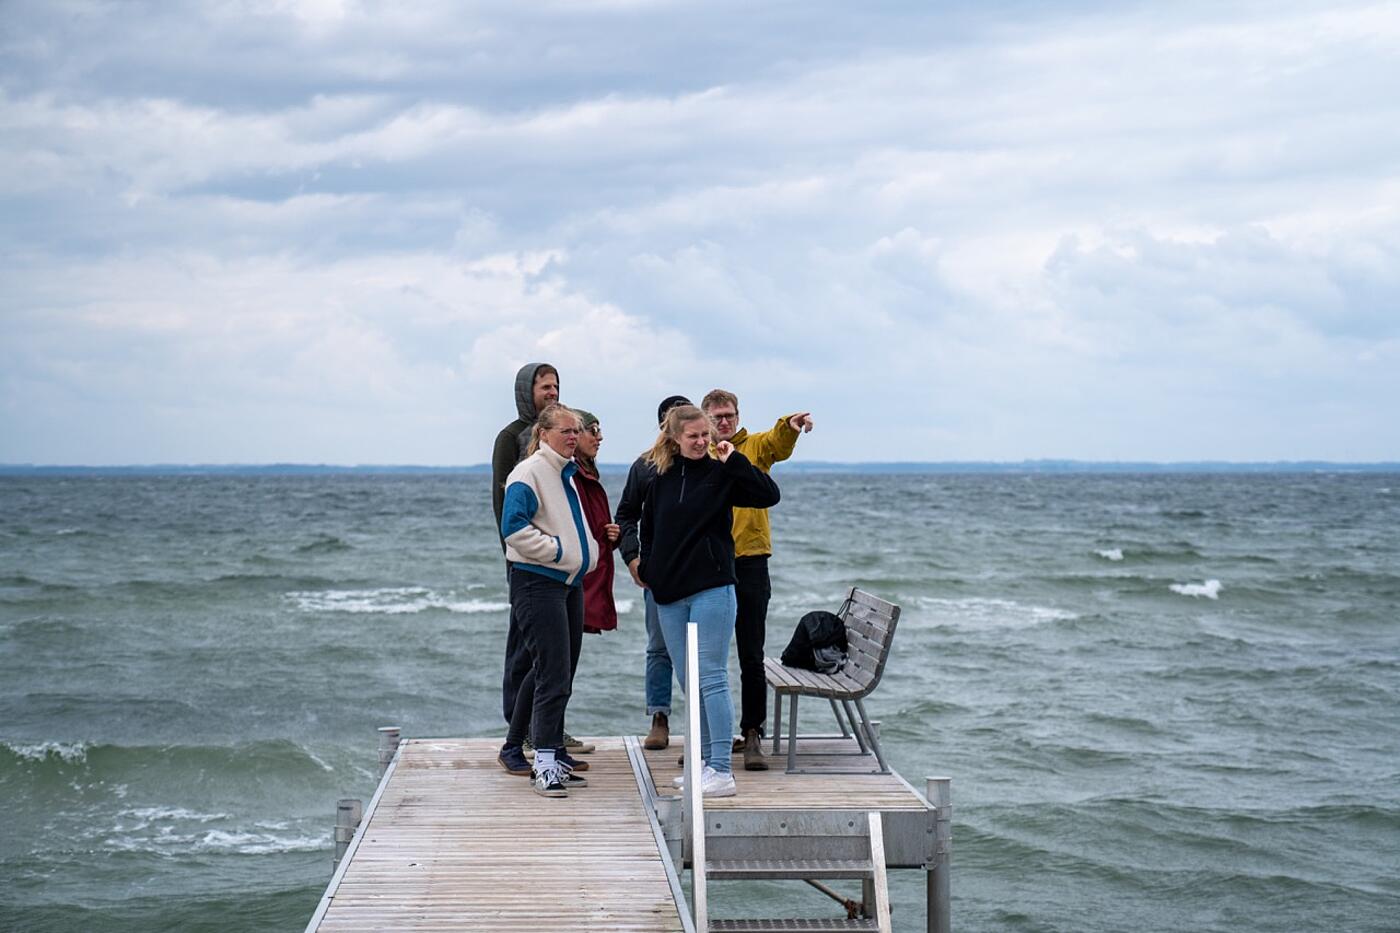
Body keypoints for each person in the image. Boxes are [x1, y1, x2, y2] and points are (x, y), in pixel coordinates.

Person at [639, 405, 780, 797]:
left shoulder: (723, 472)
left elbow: (769, 495)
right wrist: (648, 568)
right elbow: (648, 528)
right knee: (688, 681)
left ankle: (721, 769)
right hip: (669, 595)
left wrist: (734, 459)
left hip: (714, 588)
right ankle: (701, 763)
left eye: (706, 434)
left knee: (711, 676)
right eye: (693, 436)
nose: (702, 441)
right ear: (674, 438)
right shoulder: (660, 477)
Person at [700, 389, 814, 771]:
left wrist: (791, 426)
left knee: (751, 654)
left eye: (729, 415)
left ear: (738, 415)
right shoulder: (699, 453)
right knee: (705, 658)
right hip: (709, 565)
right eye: (716, 417)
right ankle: (708, 738)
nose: (724, 422)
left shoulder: (754, 447)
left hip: (750, 562)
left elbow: (777, 443)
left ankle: (753, 734)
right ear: (705, 419)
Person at [497, 404, 598, 797]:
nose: (574, 436)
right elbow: (513, 529)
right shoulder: (530, 471)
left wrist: (584, 549)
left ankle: (544, 752)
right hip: (538, 582)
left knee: (556, 673)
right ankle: (544, 764)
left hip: (567, 584)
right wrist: (558, 551)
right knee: (552, 675)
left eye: (577, 430)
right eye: (566, 431)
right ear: (543, 433)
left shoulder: (564, 472)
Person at [614, 395, 692, 750]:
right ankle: (659, 717)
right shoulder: (645, 466)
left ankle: (702, 724)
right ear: (665, 426)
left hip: (702, 575)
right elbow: (626, 515)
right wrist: (632, 559)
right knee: (659, 647)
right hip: (658, 574)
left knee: (700, 654)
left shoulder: (705, 463)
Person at [571, 410, 621, 635]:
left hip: (587, 581)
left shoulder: (587, 473)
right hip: (571, 581)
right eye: (593, 430)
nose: (599, 437)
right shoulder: (569, 473)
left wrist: (610, 535)